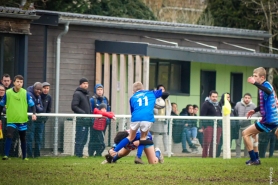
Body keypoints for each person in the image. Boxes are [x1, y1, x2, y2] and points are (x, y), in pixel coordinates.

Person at [109, 82, 163, 164]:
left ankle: (157, 152)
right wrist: (162, 94)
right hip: (147, 117)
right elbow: (161, 91)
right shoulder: (150, 93)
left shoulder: (132, 97)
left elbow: (132, 110)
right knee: (140, 139)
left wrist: (138, 142)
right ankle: (138, 157)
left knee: (132, 137)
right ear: (143, 89)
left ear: (133, 91)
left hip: (136, 117)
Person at [243, 67, 278, 165]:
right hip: (272, 119)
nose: (253, 78)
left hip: (269, 120)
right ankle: (256, 158)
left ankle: (254, 159)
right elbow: (265, 103)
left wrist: (254, 83)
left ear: (262, 77)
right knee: (254, 134)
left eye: (255, 76)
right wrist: (254, 110)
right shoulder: (262, 87)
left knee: (245, 133)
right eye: (253, 76)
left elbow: (268, 91)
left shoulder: (266, 85)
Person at [0, 75, 37, 160]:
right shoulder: (8, 93)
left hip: (22, 119)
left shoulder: (25, 93)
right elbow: (1, 105)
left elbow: (32, 105)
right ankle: (6, 155)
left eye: (21, 82)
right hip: (11, 119)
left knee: (23, 138)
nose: (19, 83)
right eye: (17, 81)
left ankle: (24, 156)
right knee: (9, 135)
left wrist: (34, 113)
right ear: (13, 82)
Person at [71, 77, 92, 158]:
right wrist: (83, 114)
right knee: (80, 137)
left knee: (84, 138)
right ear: (80, 84)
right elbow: (74, 106)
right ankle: (78, 154)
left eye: (87, 83)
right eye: (84, 83)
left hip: (87, 120)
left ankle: (80, 153)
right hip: (81, 120)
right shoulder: (77, 94)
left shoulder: (87, 94)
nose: (86, 85)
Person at [234, 93, 259, 158]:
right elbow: (235, 112)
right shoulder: (238, 104)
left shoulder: (253, 105)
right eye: (246, 97)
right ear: (243, 98)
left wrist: (251, 116)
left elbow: (258, 113)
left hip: (247, 126)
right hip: (238, 126)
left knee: (247, 142)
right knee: (238, 142)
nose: (247, 99)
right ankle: (238, 156)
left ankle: (247, 156)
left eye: (248, 98)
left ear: (250, 99)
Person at [89, 84, 110, 156]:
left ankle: (98, 153)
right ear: (95, 90)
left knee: (101, 139)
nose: (100, 91)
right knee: (93, 139)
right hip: (95, 124)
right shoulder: (92, 100)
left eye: (101, 89)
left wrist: (108, 120)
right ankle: (91, 153)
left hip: (104, 123)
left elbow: (108, 111)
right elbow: (91, 111)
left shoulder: (105, 99)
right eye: (98, 89)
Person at [150, 84, 172, 155]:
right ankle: (155, 149)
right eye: (160, 89)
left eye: (163, 89)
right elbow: (153, 108)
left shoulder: (167, 99)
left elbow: (169, 108)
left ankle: (167, 150)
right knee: (156, 134)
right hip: (157, 119)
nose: (162, 90)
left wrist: (168, 116)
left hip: (165, 119)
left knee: (165, 134)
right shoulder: (155, 98)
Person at [200, 90, 222, 158]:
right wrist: (204, 126)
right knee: (207, 142)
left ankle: (212, 156)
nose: (214, 98)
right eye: (213, 96)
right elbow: (202, 115)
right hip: (209, 126)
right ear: (209, 96)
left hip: (217, 126)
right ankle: (204, 156)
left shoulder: (218, 105)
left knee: (216, 142)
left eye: (216, 96)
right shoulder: (206, 104)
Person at [217, 92, 238, 157]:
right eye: (226, 97)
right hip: (222, 126)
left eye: (228, 97)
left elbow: (235, 115)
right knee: (220, 142)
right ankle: (217, 155)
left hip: (232, 126)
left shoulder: (233, 105)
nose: (227, 98)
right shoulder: (219, 105)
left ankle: (227, 155)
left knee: (229, 142)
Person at [26, 82, 44, 158]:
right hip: (30, 120)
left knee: (38, 138)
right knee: (29, 138)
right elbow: (32, 107)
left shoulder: (39, 96)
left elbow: (41, 108)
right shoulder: (29, 95)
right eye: (37, 89)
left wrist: (37, 107)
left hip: (39, 120)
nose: (38, 91)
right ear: (34, 88)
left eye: (40, 90)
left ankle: (37, 155)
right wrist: (37, 107)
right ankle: (29, 154)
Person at [0, 84, 6, 155]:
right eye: (0, 90)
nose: (1, 91)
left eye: (2, 90)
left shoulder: (6, 99)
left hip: (5, 122)